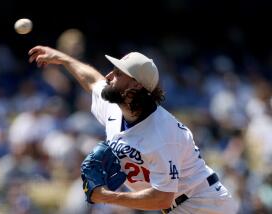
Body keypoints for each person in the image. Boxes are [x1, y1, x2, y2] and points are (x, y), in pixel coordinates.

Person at [28, 45, 237, 213]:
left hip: (204, 205)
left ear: (135, 86)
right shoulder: (115, 108)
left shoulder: (162, 133)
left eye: (118, 73)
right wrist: (64, 59)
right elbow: (93, 80)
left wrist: (106, 196)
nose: (109, 75)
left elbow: (162, 198)